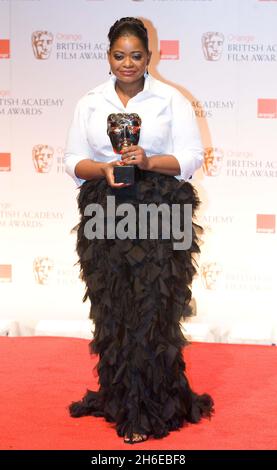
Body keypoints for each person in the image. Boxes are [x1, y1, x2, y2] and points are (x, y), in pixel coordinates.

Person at [64, 17, 214, 444]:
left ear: (150, 56)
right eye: (119, 55)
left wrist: (147, 162)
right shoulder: (89, 102)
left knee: (153, 312)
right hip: (105, 212)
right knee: (112, 311)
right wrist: (104, 168)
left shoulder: (171, 100)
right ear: (107, 55)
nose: (127, 63)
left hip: (162, 212)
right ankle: (120, 399)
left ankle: (151, 408)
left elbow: (190, 158)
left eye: (136, 55)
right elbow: (73, 161)